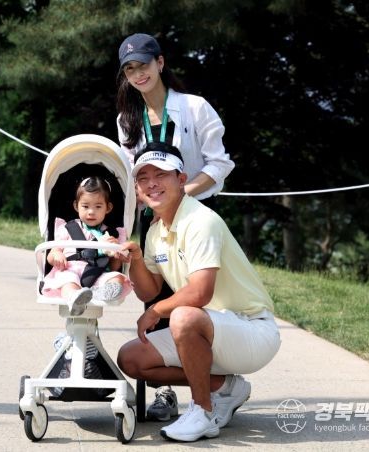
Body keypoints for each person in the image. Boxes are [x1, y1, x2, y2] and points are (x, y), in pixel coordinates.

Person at [118, 142, 280, 442]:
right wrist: (136, 260)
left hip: (251, 330)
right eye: (143, 177)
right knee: (131, 359)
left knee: (182, 317)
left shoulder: (201, 220)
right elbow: (149, 291)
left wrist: (155, 311)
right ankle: (224, 387)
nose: (152, 183)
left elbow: (200, 293)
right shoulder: (154, 231)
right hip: (208, 329)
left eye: (161, 174)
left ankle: (202, 412)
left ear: (181, 179)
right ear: (137, 189)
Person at [116, 32, 235, 421]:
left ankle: (218, 387)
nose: (139, 74)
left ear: (160, 63)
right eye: (130, 69)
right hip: (152, 219)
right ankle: (167, 393)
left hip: (195, 213)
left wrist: (182, 195)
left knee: (195, 299)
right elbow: (132, 174)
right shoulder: (126, 119)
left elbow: (219, 164)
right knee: (155, 298)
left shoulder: (195, 107)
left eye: (144, 65)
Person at [42, 176, 132, 315]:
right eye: (85, 206)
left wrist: (116, 254)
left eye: (98, 207)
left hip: (98, 273)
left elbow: (114, 267)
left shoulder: (112, 234)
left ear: (108, 208)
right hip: (70, 270)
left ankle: (100, 293)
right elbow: (52, 254)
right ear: (76, 206)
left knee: (117, 278)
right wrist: (57, 255)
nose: (91, 212)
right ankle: (74, 298)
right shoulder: (67, 228)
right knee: (68, 282)